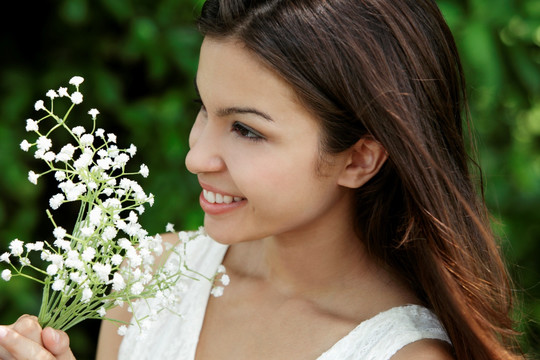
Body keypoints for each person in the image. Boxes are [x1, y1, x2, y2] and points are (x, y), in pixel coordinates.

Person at [0, 0, 525, 359]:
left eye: (246, 130)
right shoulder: (152, 277)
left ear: (359, 159)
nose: (197, 156)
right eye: (203, 109)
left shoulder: (399, 354)